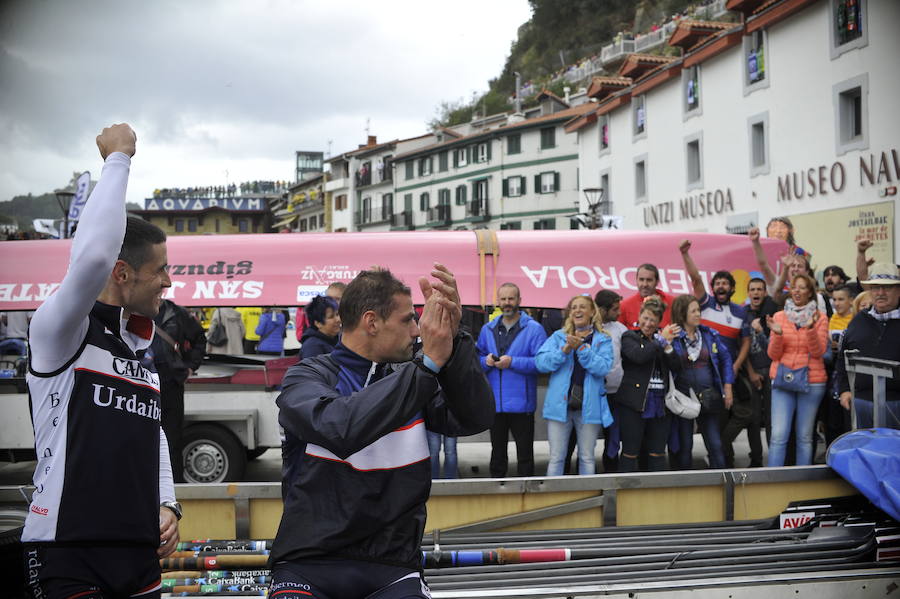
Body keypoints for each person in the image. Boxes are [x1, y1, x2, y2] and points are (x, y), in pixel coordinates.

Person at [22, 124, 180, 598]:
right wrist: (118, 159)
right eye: (161, 270)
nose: (169, 282)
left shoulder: (139, 346)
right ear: (122, 272)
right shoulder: (61, 330)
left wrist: (168, 503)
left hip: (137, 551)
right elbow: (90, 260)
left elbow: (150, 432)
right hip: (70, 548)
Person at [269, 265, 493, 599]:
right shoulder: (307, 376)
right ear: (372, 322)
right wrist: (427, 364)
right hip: (309, 563)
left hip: (393, 567)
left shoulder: (414, 378)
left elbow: (475, 417)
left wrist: (455, 335)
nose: (417, 331)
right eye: (407, 320)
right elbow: (340, 427)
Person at [678, 240, 753, 467]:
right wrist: (685, 254)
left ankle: (722, 469)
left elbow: (745, 341)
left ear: (732, 288)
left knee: (730, 424)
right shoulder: (705, 304)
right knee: (688, 442)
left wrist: (735, 368)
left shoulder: (741, 311)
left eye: (725, 284)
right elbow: (696, 279)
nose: (721, 287)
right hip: (698, 384)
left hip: (727, 375)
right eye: (717, 283)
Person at [536, 295, 614, 476]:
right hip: (559, 407)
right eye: (574, 307)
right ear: (570, 313)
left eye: (582, 307)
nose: (577, 310)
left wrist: (582, 349)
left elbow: (603, 368)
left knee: (586, 457)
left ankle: (589, 499)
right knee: (556, 457)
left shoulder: (603, 339)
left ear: (592, 312)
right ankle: (552, 498)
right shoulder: (558, 337)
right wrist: (564, 351)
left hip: (589, 408)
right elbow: (541, 363)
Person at [476, 283, 547, 478]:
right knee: (497, 456)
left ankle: (528, 496)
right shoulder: (487, 329)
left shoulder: (535, 329)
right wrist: (486, 361)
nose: (507, 303)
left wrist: (513, 362)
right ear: (498, 301)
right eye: (503, 299)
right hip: (495, 404)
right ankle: (497, 494)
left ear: (519, 301)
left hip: (521, 405)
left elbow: (541, 363)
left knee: (525, 456)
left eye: (511, 299)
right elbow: (476, 360)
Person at [766, 273, 829, 466]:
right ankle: (771, 481)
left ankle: (803, 483)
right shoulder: (779, 316)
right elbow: (773, 355)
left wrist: (810, 329)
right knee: (778, 436)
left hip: (812, 381)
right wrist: (777, 334)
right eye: (794, 287)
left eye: (802, 287)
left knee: (804, 436)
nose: (797, 291)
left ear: (810, 292)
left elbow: (819, 352)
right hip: (783, 379)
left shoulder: (821, 318)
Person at [668, 294, 734, 469]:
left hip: (709, 397)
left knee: (715, 444)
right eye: (694, 311)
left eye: (699, 310)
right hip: (683, 400)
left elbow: (726, 358)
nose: (698, 314)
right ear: (682, 314)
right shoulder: (672, 336)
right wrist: (664, 340)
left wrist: (728, 387)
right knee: (684, 447)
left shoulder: (709, 334)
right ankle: (684, 489)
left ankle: (722, 488)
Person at [615, 297, 677, 472]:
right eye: (646, 318)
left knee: (657, 453)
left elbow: (677, 366)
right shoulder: (629, 336)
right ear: (639, 316)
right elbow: (638, 356)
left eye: (653, 320)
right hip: (634, 403)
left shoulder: (661, 341)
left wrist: (668, 348)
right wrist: (661, 342)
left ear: (659, 322)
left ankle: (655, 495)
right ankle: (625, 493)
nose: (648, 323)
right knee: (630, 452)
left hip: (660, 404)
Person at [148, 299, 206, 483]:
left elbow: (199, 339)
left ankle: (175, 489)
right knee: (142, 440)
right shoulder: (130, 308)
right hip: (141, 382)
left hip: (170, 382)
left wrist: (190, 366)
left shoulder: (176, 313)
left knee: (172, 440)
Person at [836, 263, 900, 429]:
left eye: (887, 288)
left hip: (895, 405)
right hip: (860, 405)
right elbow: (843, 358)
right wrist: (844, 390)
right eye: (875, 287)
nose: (880, 293)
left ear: (898, 290)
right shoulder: (859, 320)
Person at [742, 277, 778, 455]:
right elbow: (742, 348)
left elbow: (775, 345)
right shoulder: (743, 314)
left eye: (759, 289)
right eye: (753, 289)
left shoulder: (772, 312)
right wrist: (751, 373)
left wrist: (761, 331)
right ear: (748, 293)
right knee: (753, 418)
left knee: (772, 418)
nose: (756, 292)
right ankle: (755, 456)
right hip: (752, 372)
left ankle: (773, 456)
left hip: (771, 371)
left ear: (765, 292)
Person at [596, 290, 627, 472]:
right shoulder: (588, 328)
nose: (619, 313)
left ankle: (611, 471)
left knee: (613, 437)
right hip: (593, 394)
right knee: (585, 438)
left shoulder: (621, 330)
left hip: (616, 394)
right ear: (602, 309)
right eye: (615, 309)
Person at [824, 284, 854, 444]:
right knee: (832, 420)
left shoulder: (856, 321)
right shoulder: (832, 319)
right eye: (834, 299)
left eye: (841, 299)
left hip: (849, 377)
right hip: (832, 375)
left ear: (851, 301)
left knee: (847, 421)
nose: (837, 303)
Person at [617, 263, 674, 329]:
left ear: (657, 281)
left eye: (649, 280)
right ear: (636, 280)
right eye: (641, 279)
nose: (644, 284)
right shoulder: (624, 306)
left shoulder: (673, 302)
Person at [299, 295, 341, 360]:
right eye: (331, 317)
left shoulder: (337, 341)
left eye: (337, 314)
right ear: (318, 323)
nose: (338, 319)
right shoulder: (312, 347)